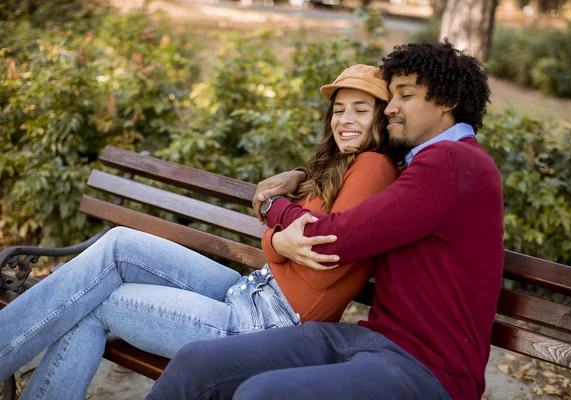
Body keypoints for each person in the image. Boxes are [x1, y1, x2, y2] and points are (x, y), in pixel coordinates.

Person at [0, 64, 403, 400]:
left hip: (265, 327)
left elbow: (322, 259)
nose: (345, 120)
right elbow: (286, 218)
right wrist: (295, 186)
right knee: (119, 244)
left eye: (360, 110)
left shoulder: (372, 167)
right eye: (339, 110)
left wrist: (275, 241)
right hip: (253, 293)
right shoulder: (344, 165)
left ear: (382, 118)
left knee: (98, 303)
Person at [146, 40, 504, 400]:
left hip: (430, 369)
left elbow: (331, 238)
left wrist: (274, 208)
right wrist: (302, 176)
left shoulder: (452, 163)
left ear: (447, 100)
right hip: (372, 341)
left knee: (263, 394)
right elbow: (362, 168)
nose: (391, 108)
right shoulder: (429, 163)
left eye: (404, 96)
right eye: (391, 97)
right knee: (196, 360)